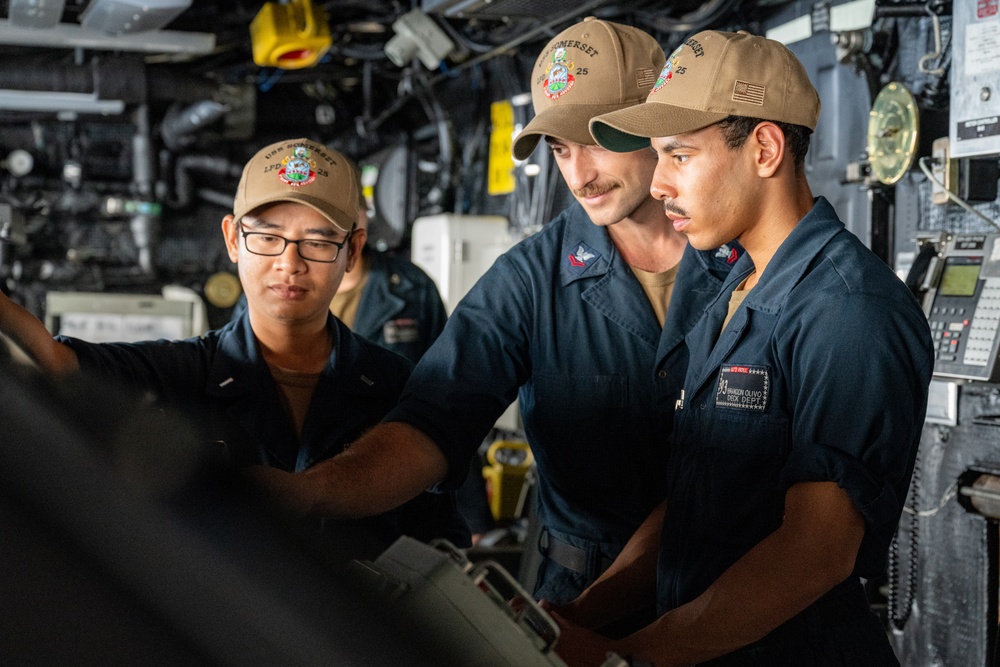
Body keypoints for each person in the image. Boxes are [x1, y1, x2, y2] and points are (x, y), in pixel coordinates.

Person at [249, 18, 738, 616]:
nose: (578, 175)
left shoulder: (747, 259)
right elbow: (431, 420)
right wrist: (309, 494)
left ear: (656, 119)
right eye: (559, 149)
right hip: (582, 597)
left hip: (741, 585)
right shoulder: (530, 280)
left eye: (596, 137)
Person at [544, 30, 934, 666]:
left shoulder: (847, 310)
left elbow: (814, 551)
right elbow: (698, 497)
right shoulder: (735, 291)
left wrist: (635, 658)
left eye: (679, 155)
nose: (661, 182)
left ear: (764, 148)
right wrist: (579, 617)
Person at [0, 137, 469, 559]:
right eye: (267, 237)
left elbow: (441, 551)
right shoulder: (178, 372)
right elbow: (56, 362)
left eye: (318, 242)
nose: (290, 263)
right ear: (232, 239)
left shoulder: (399, 389)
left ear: (352, 251)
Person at [231, 159, 449, 365]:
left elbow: (439, 377)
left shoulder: (412, 286)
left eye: (350, 212)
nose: (289, 264)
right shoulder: (264, 294)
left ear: (365, 215)